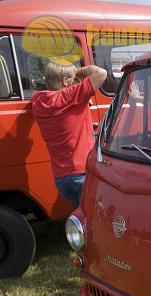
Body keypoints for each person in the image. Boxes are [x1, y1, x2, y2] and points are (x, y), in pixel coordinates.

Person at [32, 62, 107, 209]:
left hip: (61, 178)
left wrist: (82, 102)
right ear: (65, 81)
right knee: (94, 223)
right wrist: (76, 71)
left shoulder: (37, 101)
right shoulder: (69, 97)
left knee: (80, 218)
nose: (77, 82)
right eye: (74, 79)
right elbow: (101, 73)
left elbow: (60, 107)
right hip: (81, 173)